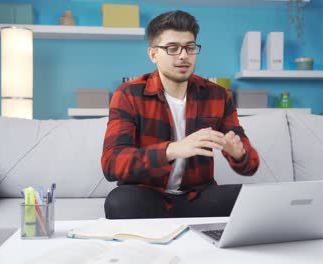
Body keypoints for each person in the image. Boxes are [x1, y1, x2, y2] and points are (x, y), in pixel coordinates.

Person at [101, 10, 259, 219]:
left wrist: (238, 153)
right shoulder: (128, 94)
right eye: (172, 48)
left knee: (250, 200)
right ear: (153, 54)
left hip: (198, 196)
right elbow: (112, 163)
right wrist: (173, 150)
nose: (184, 55)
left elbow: (251, 166)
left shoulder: (218, 95)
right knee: (119, 203)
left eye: (190, 48)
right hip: (148, 195)